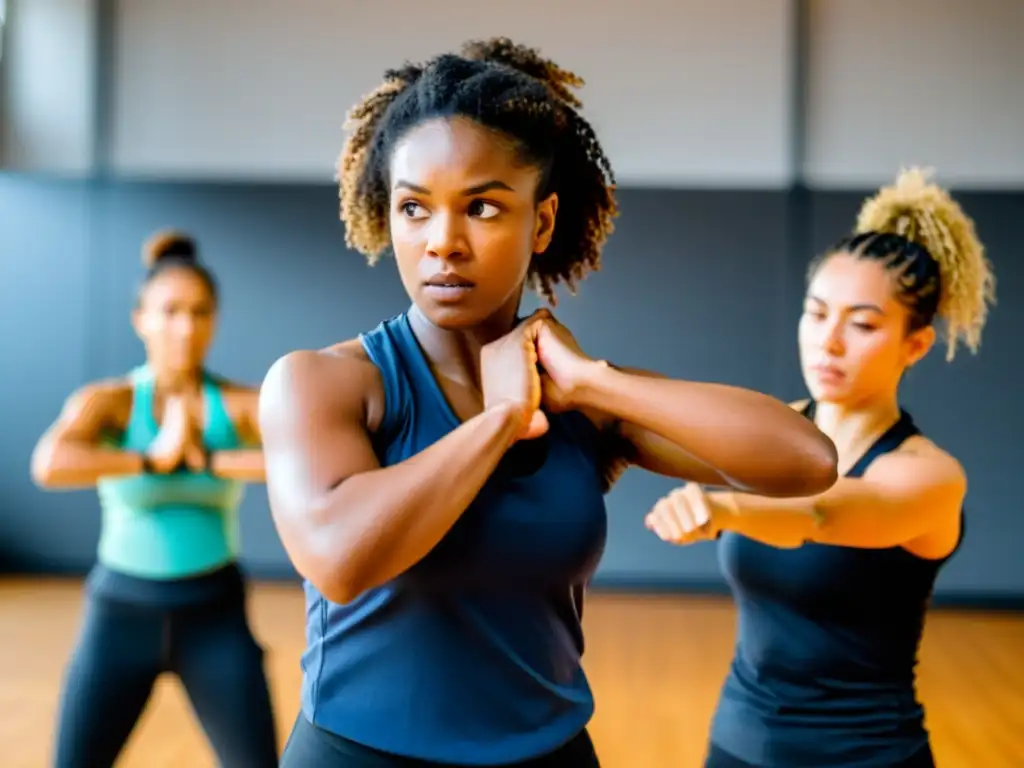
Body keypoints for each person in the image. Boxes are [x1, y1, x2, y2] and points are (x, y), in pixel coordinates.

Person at [259, 37, 838, 768]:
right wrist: (501, 422)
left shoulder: (579, 400)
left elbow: (808, 461)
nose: (444, 242)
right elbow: (341, 560)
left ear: (543, 221)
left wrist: (598, 384)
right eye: (414, 208)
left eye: (483, 208)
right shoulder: (326, 382)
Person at [645, 168, 997, 768]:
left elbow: (823, 511)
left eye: (861, 324)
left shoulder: (928, 476)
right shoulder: (773, 428)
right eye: (816, 313)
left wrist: (727, 507)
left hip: (866, 757)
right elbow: (652, 426)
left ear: (916, 345)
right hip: (735, 745)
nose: (828, 341)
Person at [31, 231, 279, 768]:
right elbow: (49, 464)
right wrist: (151, 459)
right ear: (140, 318)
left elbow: (298, 461)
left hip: (214, 614)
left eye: (199, 312)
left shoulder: (238, 405)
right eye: (169, 312)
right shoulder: (113, 403)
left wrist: (207, 460)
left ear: (213, 319)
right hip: (120, 614)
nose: (185, 328)